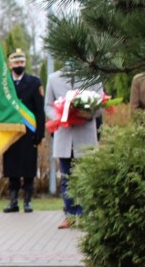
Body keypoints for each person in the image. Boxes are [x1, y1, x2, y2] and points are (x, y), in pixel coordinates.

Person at [44, 63, 104, 229]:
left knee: (86, 176)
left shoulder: (93, 77)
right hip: (64, 135)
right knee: (67, 177)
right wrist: (61, 115)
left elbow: (101, 103)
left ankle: (85, 214)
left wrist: (88, 112)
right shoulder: (53, 78)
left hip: (85, 134)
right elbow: (48, 106)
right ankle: (70, 214)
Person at [2, 49, 46, 213]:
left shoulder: (34, 82)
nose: (19, 65)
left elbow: (39, 111)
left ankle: (27, 201)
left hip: (29, 133)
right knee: (12, 169)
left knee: (28, 169)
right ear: (10, 64)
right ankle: (13, 201)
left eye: (21, 62)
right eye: (16, 62)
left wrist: (39, 135)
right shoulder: (4, 84)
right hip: (11, 132)